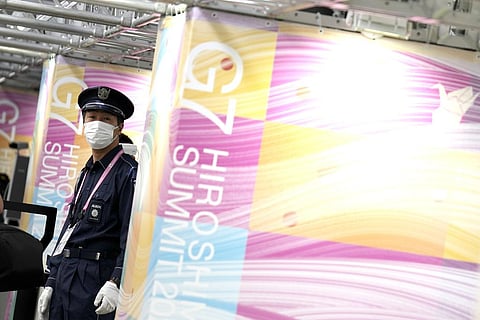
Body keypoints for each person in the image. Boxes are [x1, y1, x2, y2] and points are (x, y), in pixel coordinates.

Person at [37, 86, 138, 320]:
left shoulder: (128, 173)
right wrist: (53, 277)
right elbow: (71, 226)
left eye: (106, 119)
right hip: (66, 273)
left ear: (119, 127)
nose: (97, 124)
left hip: (95, 278)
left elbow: (130, 235)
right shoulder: (87, 170)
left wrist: (115, 281)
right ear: (83, 123)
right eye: (92, 118)